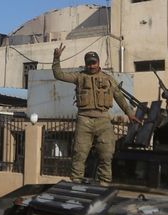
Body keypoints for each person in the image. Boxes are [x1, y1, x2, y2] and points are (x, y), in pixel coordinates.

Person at [52, 44, 141, 184]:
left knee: (106, 154)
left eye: (94, 63)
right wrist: (56, 58)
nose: (91, 66)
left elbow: (118, 96)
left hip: (103, 120)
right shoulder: (79, 77)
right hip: (84, 119)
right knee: (79, 154)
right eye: (89, 63)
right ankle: (75, 182)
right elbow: (59, 75)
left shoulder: (108, 78)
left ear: (98, 63)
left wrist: (129, 113)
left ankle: (104, 183)